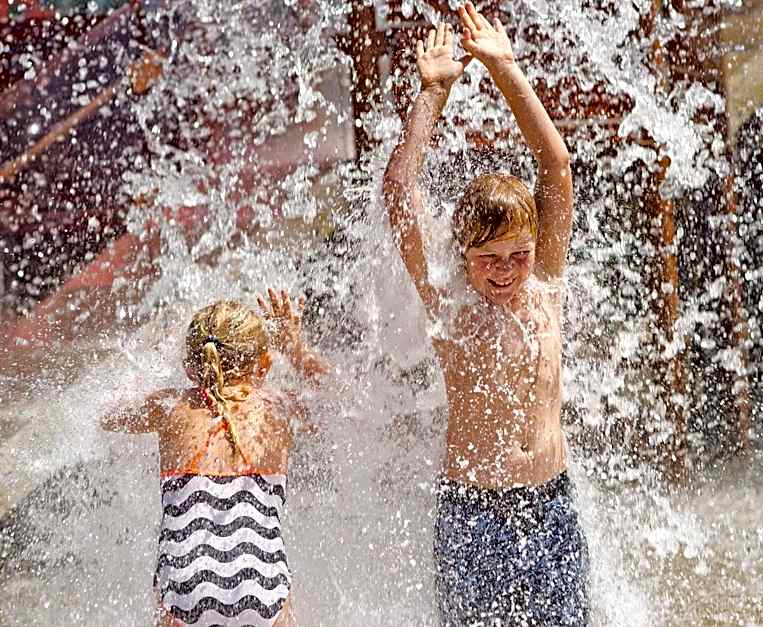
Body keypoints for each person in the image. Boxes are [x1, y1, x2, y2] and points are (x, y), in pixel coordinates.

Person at [382, 3, 590, 624]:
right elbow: (398, 191)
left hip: (550, 506)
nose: (504, 270)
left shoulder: (546, 288)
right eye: (487, 258)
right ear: (462, 255)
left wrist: (504, 69)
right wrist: (433, 94)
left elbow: (555, 165)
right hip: (471, 514)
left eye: (516, 255)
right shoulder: (449, 310)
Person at [101, 291, 327, 627]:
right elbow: (335, 402)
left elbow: (108, 414)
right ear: (264, 365)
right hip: (262, 585)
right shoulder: (277, 409)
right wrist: (297, 349)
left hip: (184, 586)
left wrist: (145, 358)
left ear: (189, 367)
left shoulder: (170, 408)